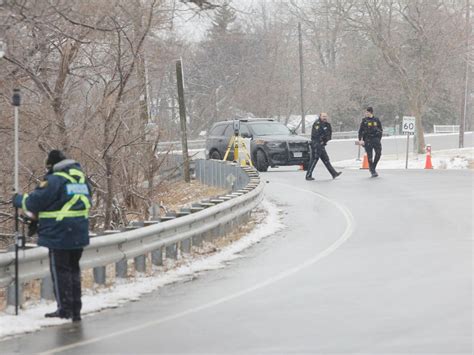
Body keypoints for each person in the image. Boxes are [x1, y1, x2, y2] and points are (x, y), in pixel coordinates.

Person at [13, 150, 91, 321]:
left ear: (51, 165)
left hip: (60, 234)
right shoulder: (81, 179)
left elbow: (35, 201)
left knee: (60, 271)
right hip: (79, 232)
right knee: (73, 271)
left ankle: (64, 309)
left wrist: (18, 200)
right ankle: (75, 309)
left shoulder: (55, 180)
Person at [305, 112, 342, 181]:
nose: (324, 118)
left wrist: (325, 141)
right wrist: (321, 140)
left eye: (325, 116)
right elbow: (316, 134)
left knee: (326, 159)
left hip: (322, 144)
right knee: (314, 159)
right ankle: (308, 175)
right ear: (320, 116)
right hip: (316, 144)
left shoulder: (327, 124)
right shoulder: (317, 124)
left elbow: (329, 134)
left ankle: (334, 173)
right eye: (323, 116)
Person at [358, 107, 383, 177]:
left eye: (367, 112)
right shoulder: (364, 121)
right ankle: (372, 171)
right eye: (366, 112)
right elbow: (360, 131)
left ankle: (373, 167)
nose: (366, 113)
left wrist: (379, 138)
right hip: (368, 140)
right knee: (370, 156)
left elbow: (381, 129)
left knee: (378, 154)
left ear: (370, 112)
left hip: (376, 139)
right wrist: (360, 140)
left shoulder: (376, 120)